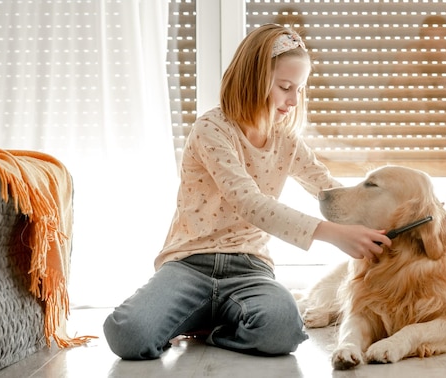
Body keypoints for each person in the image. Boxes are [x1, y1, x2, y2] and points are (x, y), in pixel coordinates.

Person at [103, 24, 392, 360]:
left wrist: (407, 215)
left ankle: (212, 327)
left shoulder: (285, 140)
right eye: (285, 87)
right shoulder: (212, 129)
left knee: (284, 329)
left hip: (250, 269)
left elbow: (330, 189)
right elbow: (249, 203)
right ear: (254, 79)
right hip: (189, 265)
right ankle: (198, 314)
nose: (293, 100)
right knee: (128, 335)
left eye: (299, 89)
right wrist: (333, 234)